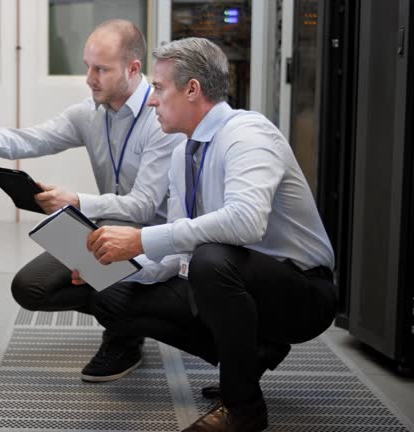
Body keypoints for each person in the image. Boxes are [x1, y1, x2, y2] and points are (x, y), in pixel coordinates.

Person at [80, 37, 337, 431]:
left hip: (303, 291)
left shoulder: (247, 135)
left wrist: (141, 239)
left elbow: (245, 222)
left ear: (193, 90)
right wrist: (113, 264)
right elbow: (173, 254)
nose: (151, 101)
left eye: (160, 89)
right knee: (112, 296)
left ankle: (243, 408)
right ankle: (249, 358)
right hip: (241, 282)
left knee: (211, 261)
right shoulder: (185, 153)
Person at [0, 19, 184, 382]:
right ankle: (124, 312)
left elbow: (143, 207)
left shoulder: (160, 120)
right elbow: (35, 138)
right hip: (108, 228)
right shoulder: (90, 113)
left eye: (101, 69)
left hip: (152, 239)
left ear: (133, 68)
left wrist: (76, 201)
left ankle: (125, 335)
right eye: (87, 67)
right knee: (30, 288)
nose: (90, 78)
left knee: (101, 286)